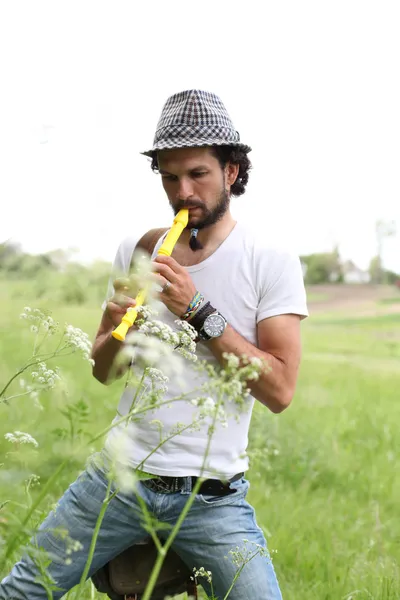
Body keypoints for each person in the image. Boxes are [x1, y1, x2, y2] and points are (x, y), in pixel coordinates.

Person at [0, 89, 308, 599]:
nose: (182, 191)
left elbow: (279, 390)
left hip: (212, 499)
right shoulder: (139, 249)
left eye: (198, 174)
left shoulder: (268, 258)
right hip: (117, 480)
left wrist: (198, 311)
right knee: (20, 593)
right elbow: (104, 368)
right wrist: (124, 331)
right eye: (169, 177)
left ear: (232, 171)